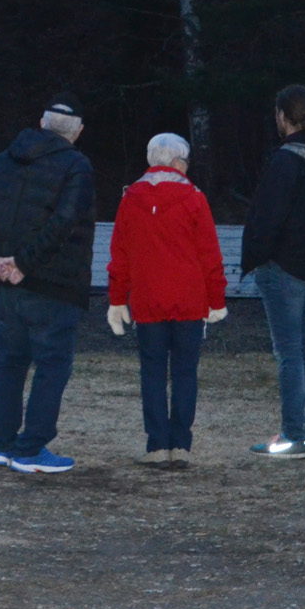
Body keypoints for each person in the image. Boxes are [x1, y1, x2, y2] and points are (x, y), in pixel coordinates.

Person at [0, 94, 96, 475]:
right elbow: (65, 221)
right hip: (52, 283)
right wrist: (23, 264)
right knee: (52, 364)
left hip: (6, 284)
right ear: (78, 132)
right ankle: (31, 448)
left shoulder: (5, 159)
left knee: (9, 362)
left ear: (41, 123)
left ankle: (3, 444)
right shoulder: (77, 165)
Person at [105, 132, 228, 469]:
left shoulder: (131, 198)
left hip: (147, 300)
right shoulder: (195, 198)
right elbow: (210, 255)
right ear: (176, 162)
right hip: (189, 300)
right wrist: (216, 299)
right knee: (185, 372)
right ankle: (181, 445)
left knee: (153, 372)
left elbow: (120, 255)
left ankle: (157, 445)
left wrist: (117, 299)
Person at [240, 84, 305, 459]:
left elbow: (267, 217)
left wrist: (255, 256)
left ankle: (292, 437)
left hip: (284, 267)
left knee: (290, 354)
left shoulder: (285, 162)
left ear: (283, 116)